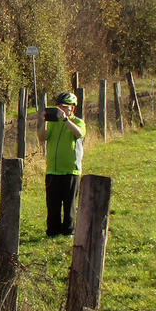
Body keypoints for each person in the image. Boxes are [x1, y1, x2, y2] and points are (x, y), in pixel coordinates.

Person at [45, 91, 86, 237]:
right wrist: (40, 122)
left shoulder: (78, 122)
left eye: (64, 107)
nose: (61, 110)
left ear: (72, 109)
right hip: (53, 170)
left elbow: (79, 133)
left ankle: (68, 231)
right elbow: (42, 137)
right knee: (53, 205)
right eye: (59, 107)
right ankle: (53, 232)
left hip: (70, 170)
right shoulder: (52, 123)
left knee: (69, 204)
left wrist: (65, 120)